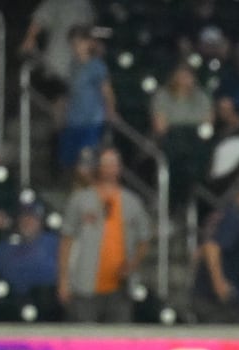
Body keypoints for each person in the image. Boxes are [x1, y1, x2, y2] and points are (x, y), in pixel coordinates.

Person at [58, 148, 150, 322]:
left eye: (113, 164)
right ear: (98, 167)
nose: (109, 168)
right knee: (84, 339)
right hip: (84, 284)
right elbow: (66, 240)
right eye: (105, 164)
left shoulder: (132, 202)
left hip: (120, 287)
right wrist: (64, 280)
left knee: (119, 340)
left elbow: (144, 239)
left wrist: (132, 264)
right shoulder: (80, 200)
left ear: (120, 167)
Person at [193, 174, 239, 324]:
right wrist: (219, 284)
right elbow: (211, 247)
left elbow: (198, 253)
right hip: (217, 300)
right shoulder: (234, 218)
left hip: (219, 295)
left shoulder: (235, 217)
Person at [0, 202, 60, 297]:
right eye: (24, 217)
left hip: (51, 299)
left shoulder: (53, 241)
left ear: (41, 222)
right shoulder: (6, 248)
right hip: (12, 301)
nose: (27, 221)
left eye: (33, 218)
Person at [58, 26, 113, 170]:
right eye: (74, 44)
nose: (77, 47)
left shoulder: (97, 66)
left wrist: (110, 112)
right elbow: (71, 92)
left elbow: (107, 92)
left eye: (80, 42)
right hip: (73, 120)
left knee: (87, 163)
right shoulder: (72, 66)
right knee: (69, 163)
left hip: (91, 122)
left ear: (88, 43)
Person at [20, 0, 96, 97]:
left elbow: (91, 31)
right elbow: (40, 18)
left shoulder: (87, 6)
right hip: (56, 67)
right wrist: (30, 38)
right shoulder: (58, 2)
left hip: (78, 71)